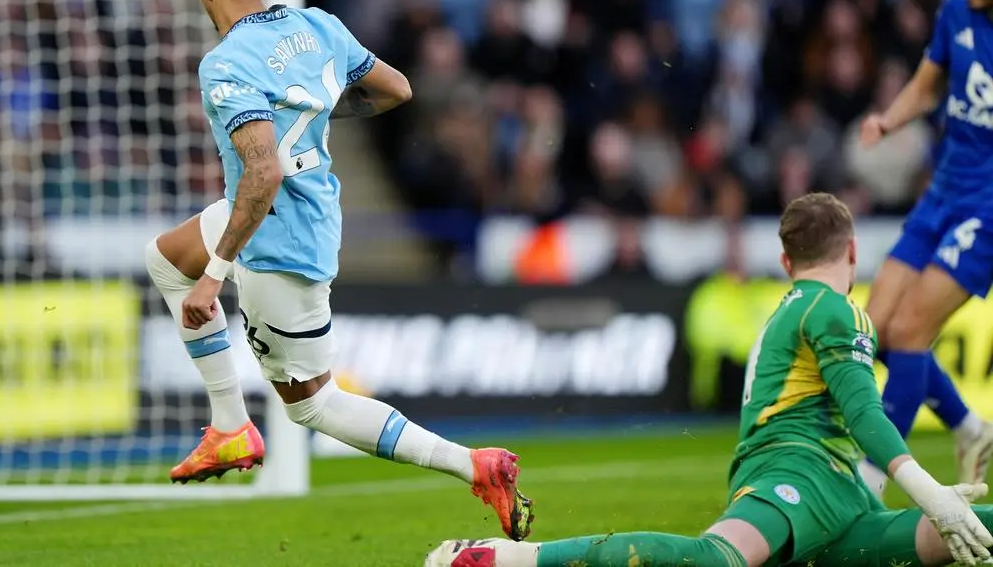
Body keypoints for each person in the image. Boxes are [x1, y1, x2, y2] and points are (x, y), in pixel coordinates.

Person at [144, 0, 533, 540]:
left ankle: (474, 465)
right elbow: (396, 89)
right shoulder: (318, 26)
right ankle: (227, 426)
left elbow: (263, 174)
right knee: (164, 258)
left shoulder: (224, 65)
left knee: (313, 405)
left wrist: (214, 276)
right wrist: (316, 106)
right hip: (305, 211)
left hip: (277, 241)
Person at [423, 193, 992, 567]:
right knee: (719, 559)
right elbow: (866, 411)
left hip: (831, 489)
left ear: (786, 261)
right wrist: (929, 490)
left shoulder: (797, 309)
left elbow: (893, 375)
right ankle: (509, 560)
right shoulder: (834, 310)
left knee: (967, 534)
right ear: (852, 250)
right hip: (796, 475)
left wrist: (941, 458)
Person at [857, 0, 993, 495]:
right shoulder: (956, 12)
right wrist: (888, 119)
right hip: (941, 190)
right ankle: (969, 428)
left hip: (986, 207)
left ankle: (870, 483)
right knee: (876, 330)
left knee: (911, 332)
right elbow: (928, 83)